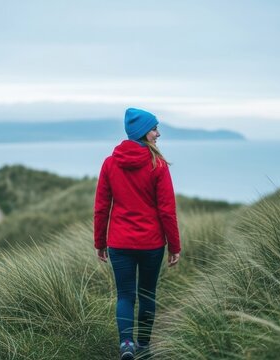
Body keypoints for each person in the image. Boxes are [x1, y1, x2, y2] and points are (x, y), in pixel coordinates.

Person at [94, 107, 181, 360]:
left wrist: (100, 242)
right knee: (146, 295)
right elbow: (167, 211)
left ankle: (126, 345)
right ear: (143, 132)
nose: (158, 133)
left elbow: (101, 208)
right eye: (154, 129)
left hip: (119, 242)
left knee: (125, 296)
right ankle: (143, 347)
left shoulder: (110, 163)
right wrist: (174, 246)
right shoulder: (158, 165)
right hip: (151, 244)